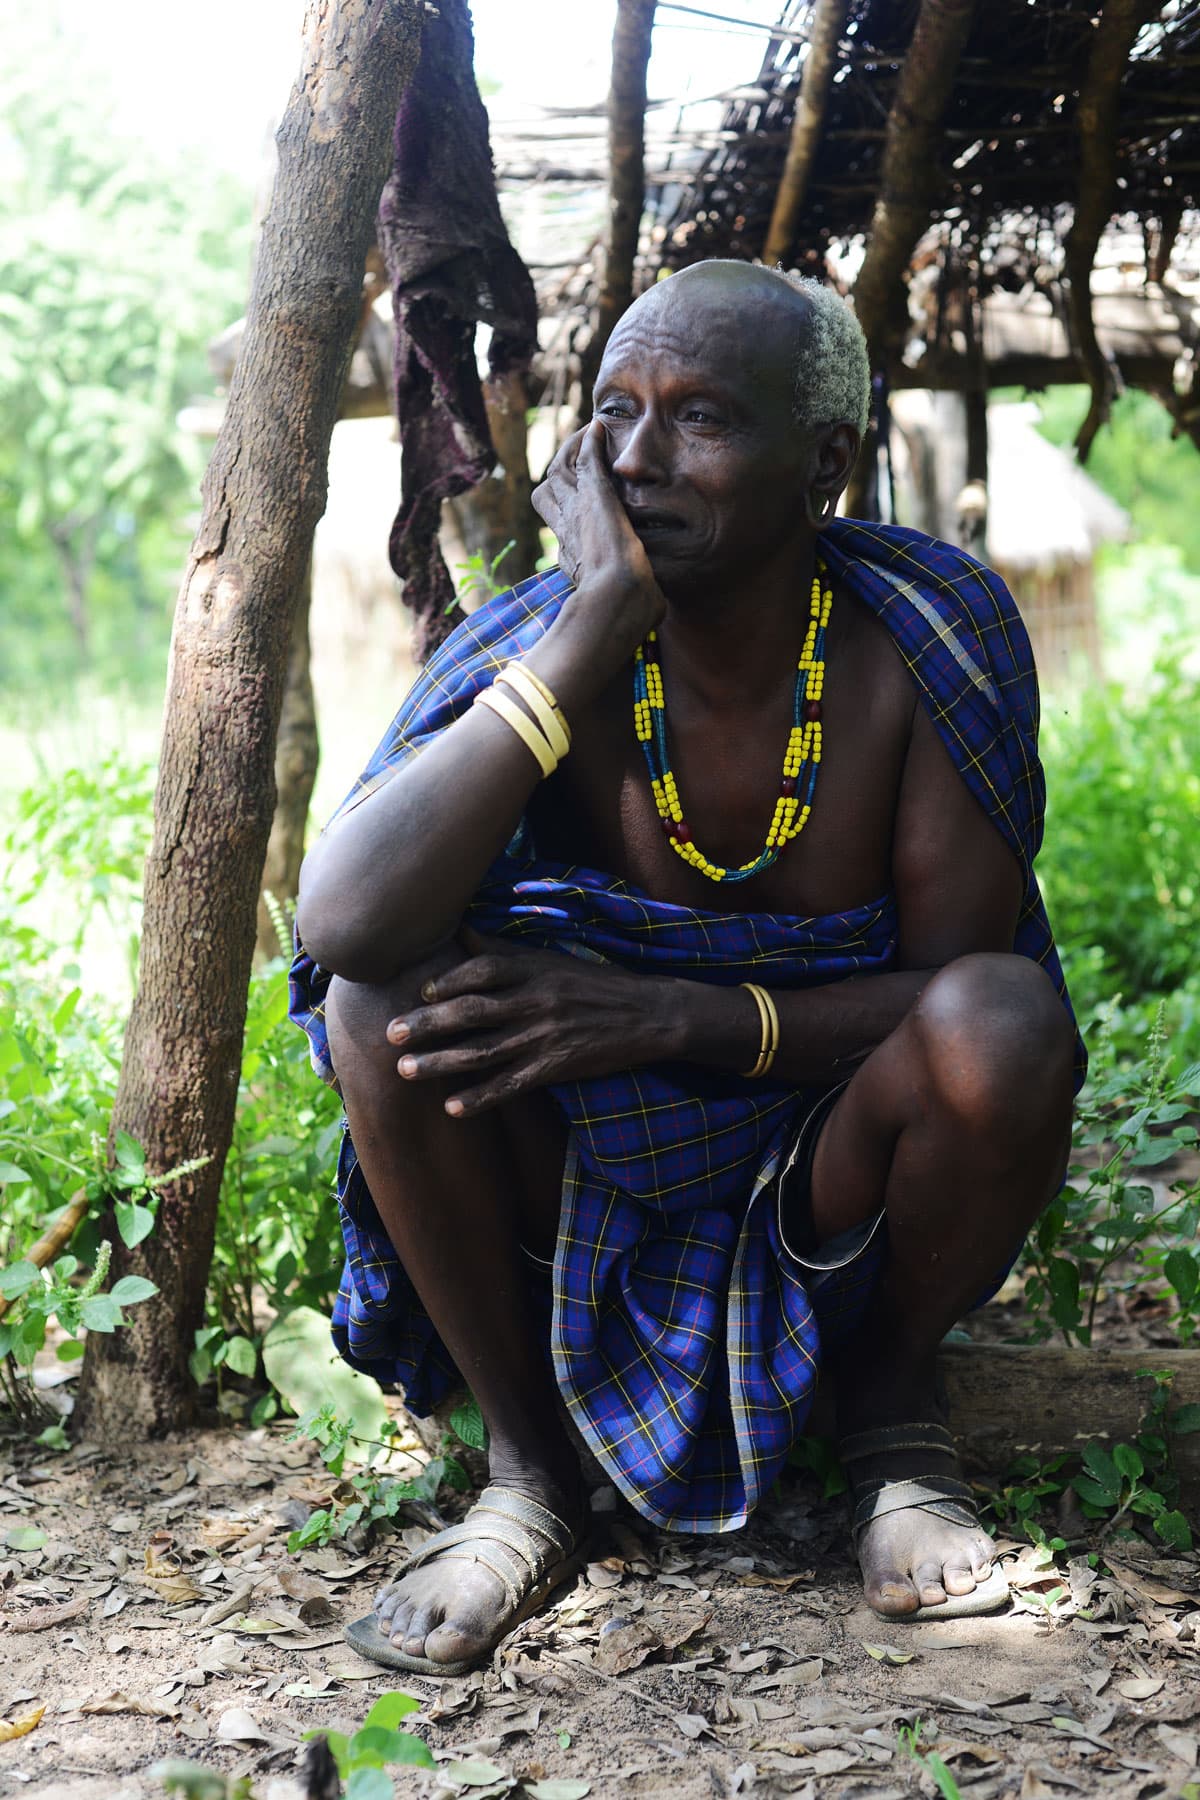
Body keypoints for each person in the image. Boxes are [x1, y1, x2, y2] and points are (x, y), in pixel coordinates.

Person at [291, 260, 1084, 1678]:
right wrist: (593, 632)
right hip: (576, 1165)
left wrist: (676, 1014)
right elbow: (346, 924)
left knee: (1004, 1027)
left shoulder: (920, 639)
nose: (638, 458)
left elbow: (966, 996)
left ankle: (893, 1423)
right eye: (614, 413)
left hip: (827, 1159)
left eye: (699, 416)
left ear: (824, 463)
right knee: (380, 1009)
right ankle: (531, 1480)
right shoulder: (543, 643)